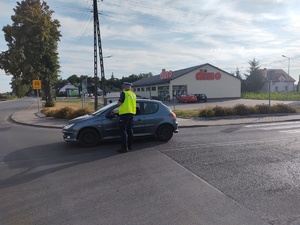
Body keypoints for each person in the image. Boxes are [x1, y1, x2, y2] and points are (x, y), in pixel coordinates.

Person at [117, 82, 136, 153]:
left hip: (124, 114)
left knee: (123, 131)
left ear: (125, 87)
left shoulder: (124, 93)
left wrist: (118, 103)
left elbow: (119, 103)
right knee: (130, 130)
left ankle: (124, 148)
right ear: (130, 87)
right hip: (132, 114)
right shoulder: (133, 94)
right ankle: (130, 146)